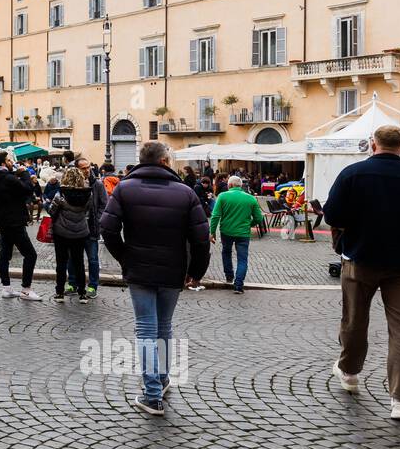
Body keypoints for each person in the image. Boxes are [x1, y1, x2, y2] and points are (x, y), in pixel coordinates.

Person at [324, 125, 400, 422]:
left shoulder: (352, 174)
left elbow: (332, 214)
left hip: (360, 259)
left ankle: (349, 373)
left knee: (354, 320)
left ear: (373, 144)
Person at [100, 141, 210, 416]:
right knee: (164, 327)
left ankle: (153, 393)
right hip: (173, 270)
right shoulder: (185, 193)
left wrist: (124, 257)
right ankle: (159, 381)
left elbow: (108, 229)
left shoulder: (125, 188)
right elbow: (200, 239)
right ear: (163, 162)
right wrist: (196, 271)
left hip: (139, 269)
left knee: (147, 330)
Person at [0, 150, 40, 301]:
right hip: (14, 221)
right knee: (30, 254)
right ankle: (26, 290)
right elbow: (28, 189)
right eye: (10, 160)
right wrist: (24, 174)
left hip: (2, 221)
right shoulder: (8, 178)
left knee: (5, 253)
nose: (13, 162)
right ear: (3, 163)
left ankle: (6, 288)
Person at [209, 174, 262, 294]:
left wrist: (212, 232)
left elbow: (215, 216)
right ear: (241, 186)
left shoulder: (223, 196)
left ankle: (229, 276)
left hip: (226, 231)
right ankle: (238, 285)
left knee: (226, 252)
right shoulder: (250, 198)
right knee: (242, 259)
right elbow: (259, 218)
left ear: (230, 185)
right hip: (243, 233)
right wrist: (249, 224)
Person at [49, 166, 91, 301]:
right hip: (80, 232)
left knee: (61, 263)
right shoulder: (88, 194)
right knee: (79, 262)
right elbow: (89, 211)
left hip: (61, 231)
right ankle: (82, 293)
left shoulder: (61, 194)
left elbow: (51, 211)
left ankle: (60, 292)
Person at [75, 157, 107, 297]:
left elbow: (104, 204)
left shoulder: (98, 184)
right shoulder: (73, 184)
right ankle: (72, 283)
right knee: (74, 258)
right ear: (77, 169)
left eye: (88, 167)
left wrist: (98, 220)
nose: (87, 170)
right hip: (75, 227)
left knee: (93, 258)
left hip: (91, 227)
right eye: (83, 168)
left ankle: (93, 286)